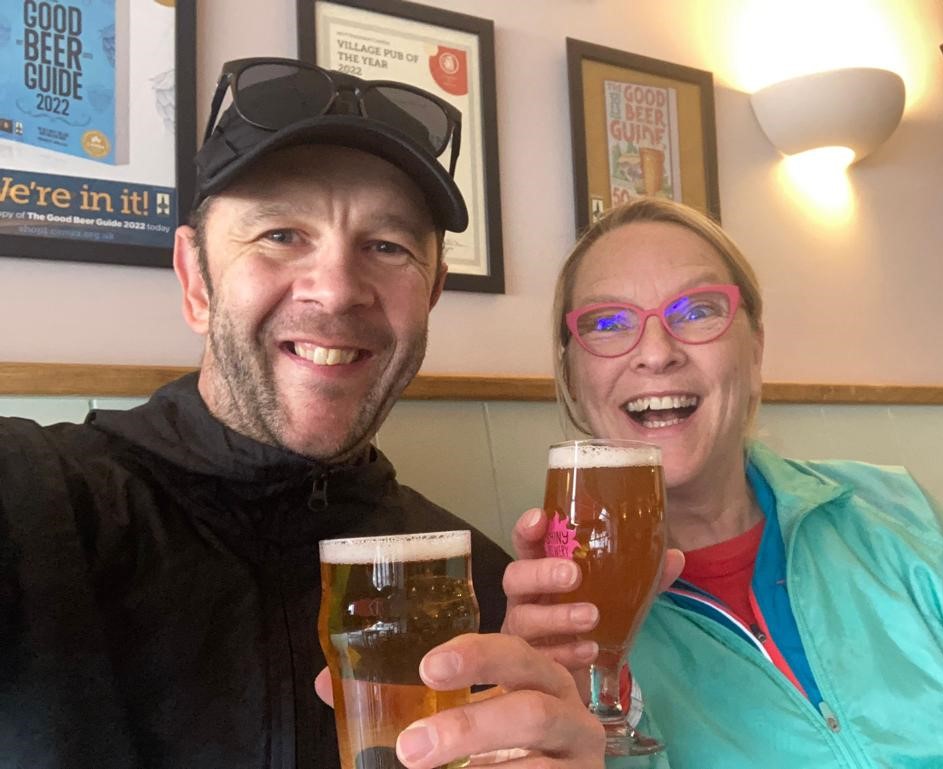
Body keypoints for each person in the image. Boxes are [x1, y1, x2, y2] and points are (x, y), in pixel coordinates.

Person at [0, 57, 603, 769]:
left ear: (432, 294)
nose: (339, 289)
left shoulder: (480, 591)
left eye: (387, 246)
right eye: (281, 233)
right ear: (196, 279)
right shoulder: (36, 499)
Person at [508, 197, 943, 768]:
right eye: (607, 323)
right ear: (574, 379)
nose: (656, 353)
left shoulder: (901, 511)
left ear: (754, 351)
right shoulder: (557, 624)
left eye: (698, 310)